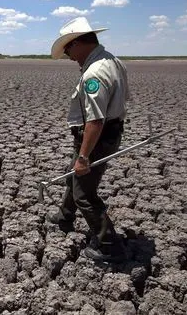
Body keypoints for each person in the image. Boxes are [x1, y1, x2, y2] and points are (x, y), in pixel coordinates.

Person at [48, 17, 129, 262]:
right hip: (105, 134)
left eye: (68, 50)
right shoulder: (113, 61)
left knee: (84, 192)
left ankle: (108, 245)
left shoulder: (95, 73)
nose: (69, 57)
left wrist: (84, 156)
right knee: (73, 175)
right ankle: (65, 216)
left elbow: (95, 120)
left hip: (96, 138)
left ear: (78, 43)